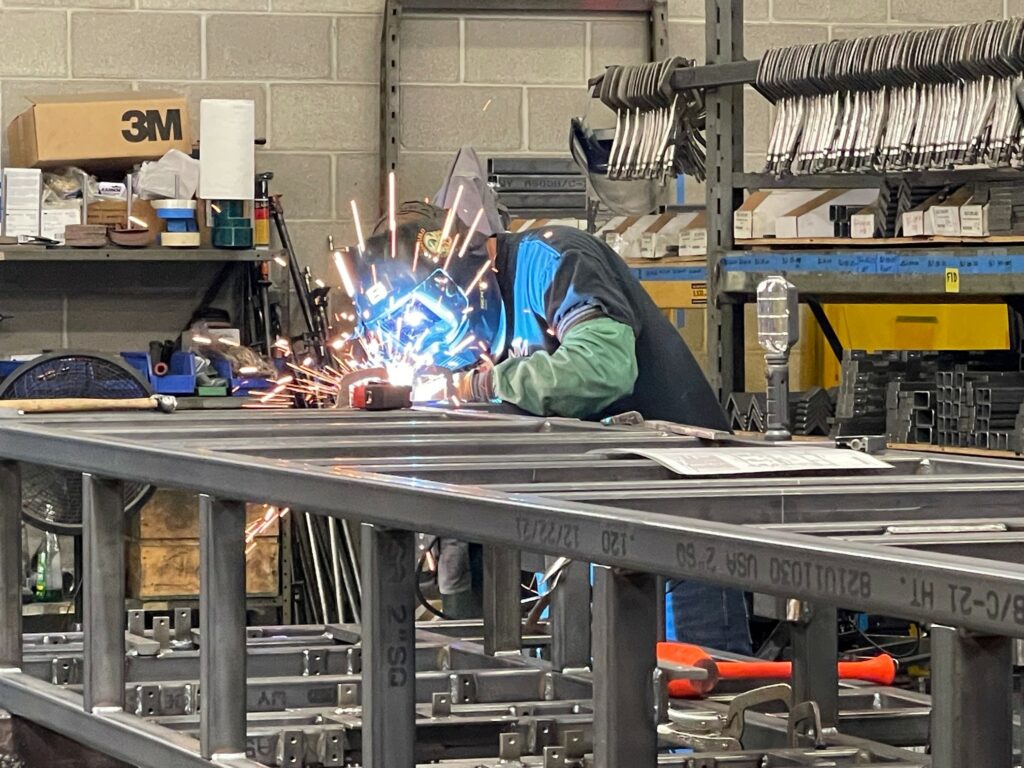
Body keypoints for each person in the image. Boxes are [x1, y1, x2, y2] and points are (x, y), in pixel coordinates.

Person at [344, 151, 751, 653]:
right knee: (581, 692)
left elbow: (602, 369)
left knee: (693, 695)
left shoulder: (555, 259)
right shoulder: (474, 323)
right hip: (582, 522)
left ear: (465, 275)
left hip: (681, 520)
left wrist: (482, 387)